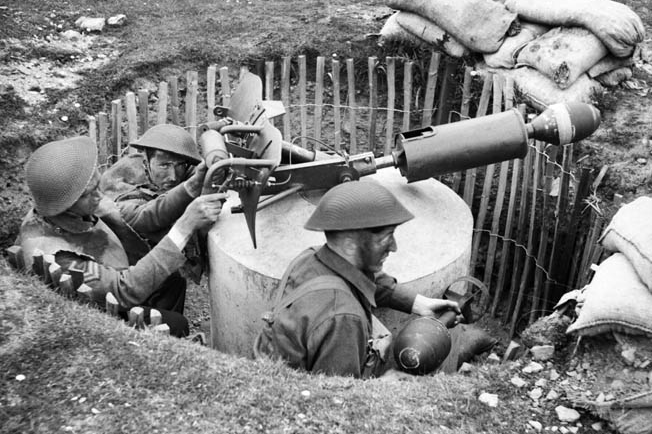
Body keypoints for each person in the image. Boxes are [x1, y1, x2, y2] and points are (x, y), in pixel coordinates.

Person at [17, 136, 225, 337]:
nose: (100, 196)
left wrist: (193, 184)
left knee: (173, 280)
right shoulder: (59, 258)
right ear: (64, 205)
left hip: (114, 275)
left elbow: (147, 216)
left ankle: (160, 331)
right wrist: (185, 226)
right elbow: (122, 291)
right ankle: (157, 344)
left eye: (97, 186)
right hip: (98, 310)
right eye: (89, 193)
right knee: (178, 324)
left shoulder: (74, 207)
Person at [255, 179, 461, 378]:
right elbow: (339, 402)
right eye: (386, 237)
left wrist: (418, 304)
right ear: (349, 244)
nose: (394, 247)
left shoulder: (309, 258)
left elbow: (363, 280)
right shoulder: (343, 317)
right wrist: (386, 384)